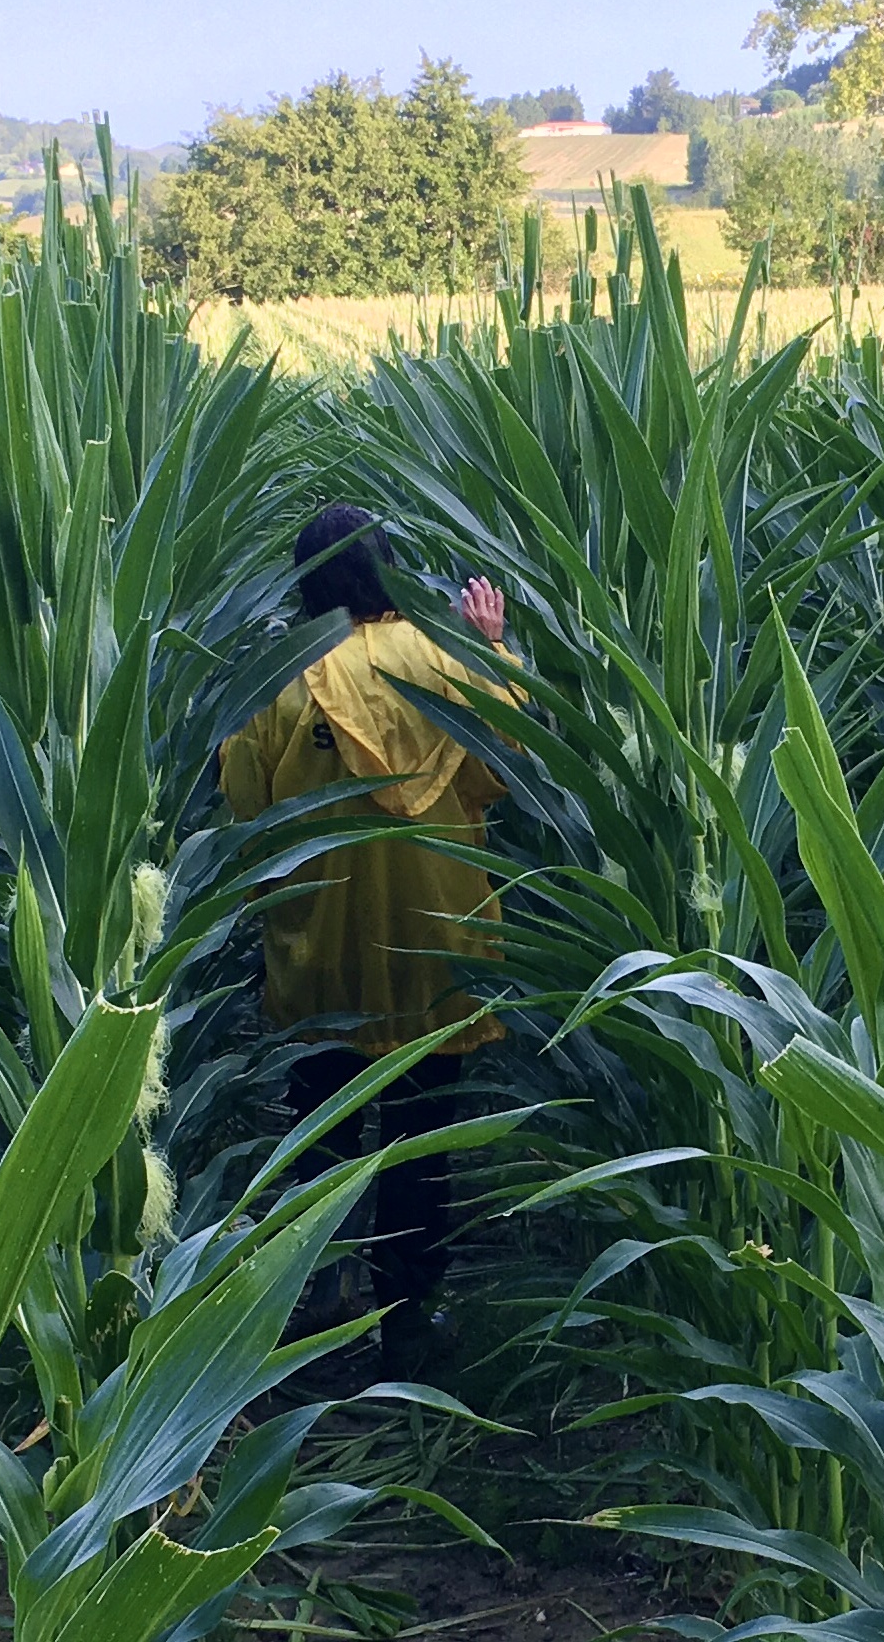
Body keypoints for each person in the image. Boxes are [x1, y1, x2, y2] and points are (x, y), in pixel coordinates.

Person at [218, 504, 518, 1371]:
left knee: (321, 1134)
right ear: (389, 570)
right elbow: (503, 770)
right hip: (437, 950)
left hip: (324, 960)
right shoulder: (442, 661)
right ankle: (407, 1320)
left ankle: (313, 1304)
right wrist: (488, 648)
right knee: (420, 1140)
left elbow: (247, 811)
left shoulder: (286, 678)